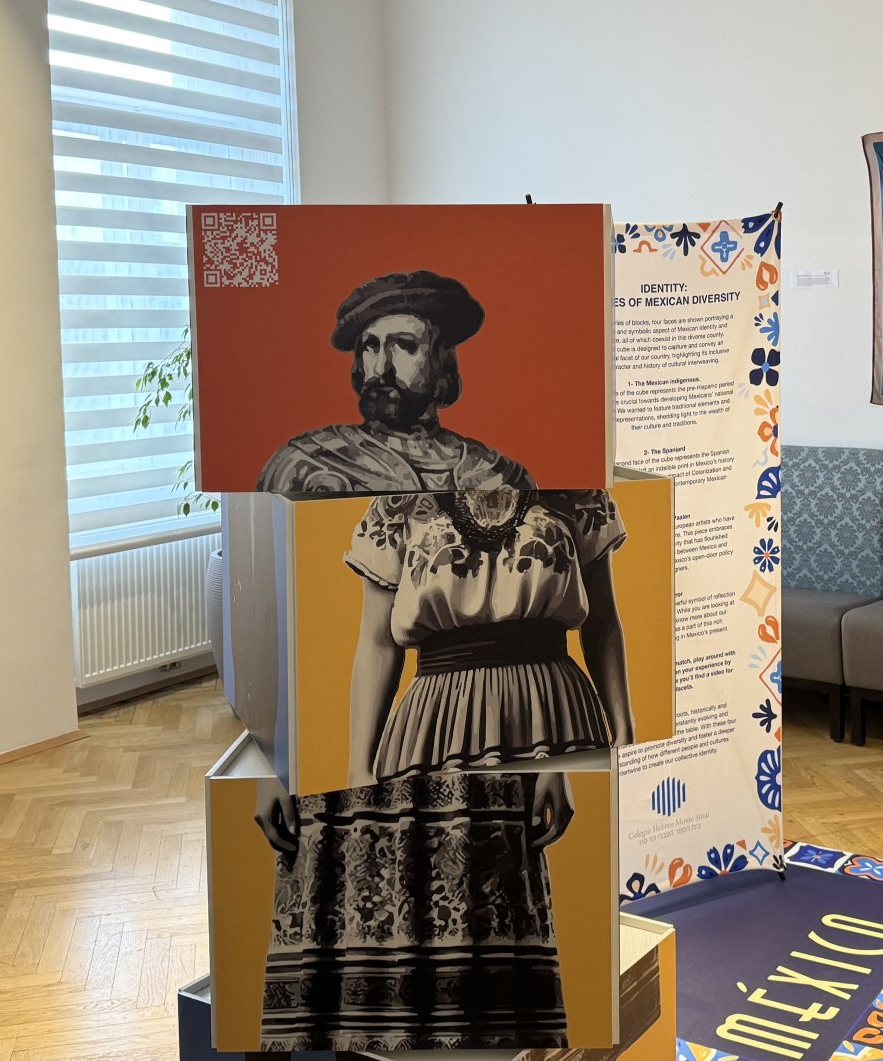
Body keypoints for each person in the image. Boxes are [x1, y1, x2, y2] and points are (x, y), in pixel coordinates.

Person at [254, 486, 633, 1050]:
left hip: (551, 715)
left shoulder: (573, 484)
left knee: (522, 936)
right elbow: (377, 643)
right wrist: (359, 769)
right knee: (431, 930)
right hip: (435, 725)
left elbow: (601, 621)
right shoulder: (398, 497)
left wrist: (613, 743)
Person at [255, 270, 536, 493]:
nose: (381, 367)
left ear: (441, 362)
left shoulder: (498, 475)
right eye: (371, 346)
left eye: (403, 345)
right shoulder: (306, 463)